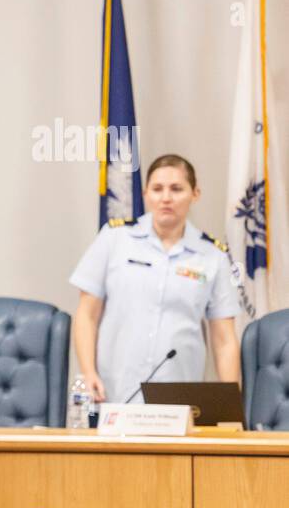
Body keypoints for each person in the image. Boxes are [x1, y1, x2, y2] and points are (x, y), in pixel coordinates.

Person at [70, 154, 240, 404]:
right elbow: (86, 314)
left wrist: (229, 403)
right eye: (157, 189)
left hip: (180, 397)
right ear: (145, 194)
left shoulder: (212, 255)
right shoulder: (114, 239)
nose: (166, 198)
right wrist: (88, 372)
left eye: (176, 189)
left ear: (195, 194)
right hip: (115, 392)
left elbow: (224, 339)